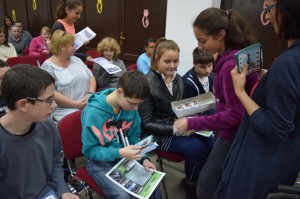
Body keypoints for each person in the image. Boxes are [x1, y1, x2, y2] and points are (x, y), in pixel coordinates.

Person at [213, 0, 300, 198]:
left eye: (269, 9)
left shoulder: (289, 63)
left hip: (260, 164)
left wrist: (240, 92)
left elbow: (275, 128)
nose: (267, 17)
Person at [173, 8, 260, 199]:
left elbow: (234, 114)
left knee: (206, 186)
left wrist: (191, 123)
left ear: (221, 35)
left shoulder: (230, 65)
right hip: (234, 132)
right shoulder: (227, 58)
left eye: (202, 40)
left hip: (233, 134)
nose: (200, 46)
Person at [138, 38, 214, 199]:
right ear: (156, 60)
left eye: (176, 61)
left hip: (176, 125)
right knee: (198, 148)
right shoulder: (146, 83)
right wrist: (176, 128)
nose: (173, 66)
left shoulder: (178, 79)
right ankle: (190, 183)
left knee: (211, 141)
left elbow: (178, 109)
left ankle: (198, 177)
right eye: (167, 61)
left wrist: (191, 121)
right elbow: (146, 123)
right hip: (155, 133)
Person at [0, 65, 79, 199]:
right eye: (49, 100)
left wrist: (63, 190)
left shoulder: (48, 125)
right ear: (24, 105)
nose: (54, 105)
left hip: (46, 192)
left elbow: (55, 162)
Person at [81, 71, 162, 199]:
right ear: (119, 92)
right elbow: (90, 150)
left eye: (139, 104)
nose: (136, 109)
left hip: (124, 154)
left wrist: (144, 158)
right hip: (98, 160)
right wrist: (119, 152)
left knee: (152, 186)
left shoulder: (130, 107)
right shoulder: (93, 113)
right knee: (122, 196)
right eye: (132, 103)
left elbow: (133, 137)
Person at [41, 30, 96, 122]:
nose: (75, 48)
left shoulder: (76, 59)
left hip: (88, 105)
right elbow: (51, 92)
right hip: (65, 111)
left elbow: (91, 77)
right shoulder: (47, 67)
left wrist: (90, 93)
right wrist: (76, 104)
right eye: (72, 45)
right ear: (62, 47)